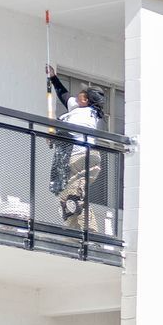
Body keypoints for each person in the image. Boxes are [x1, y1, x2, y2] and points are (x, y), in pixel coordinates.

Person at [45, 65, 104, 227]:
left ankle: (88, 232)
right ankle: (77, 231)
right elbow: (64, 96)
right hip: (83, 157)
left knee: (73, 196)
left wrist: (53, 133)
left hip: (81, 158)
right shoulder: (81, 109)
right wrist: (53, 78)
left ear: (86, 100)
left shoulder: (85, 116)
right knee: (68, 198)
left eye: (80, 95)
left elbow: (69, 132)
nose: (76, 97)